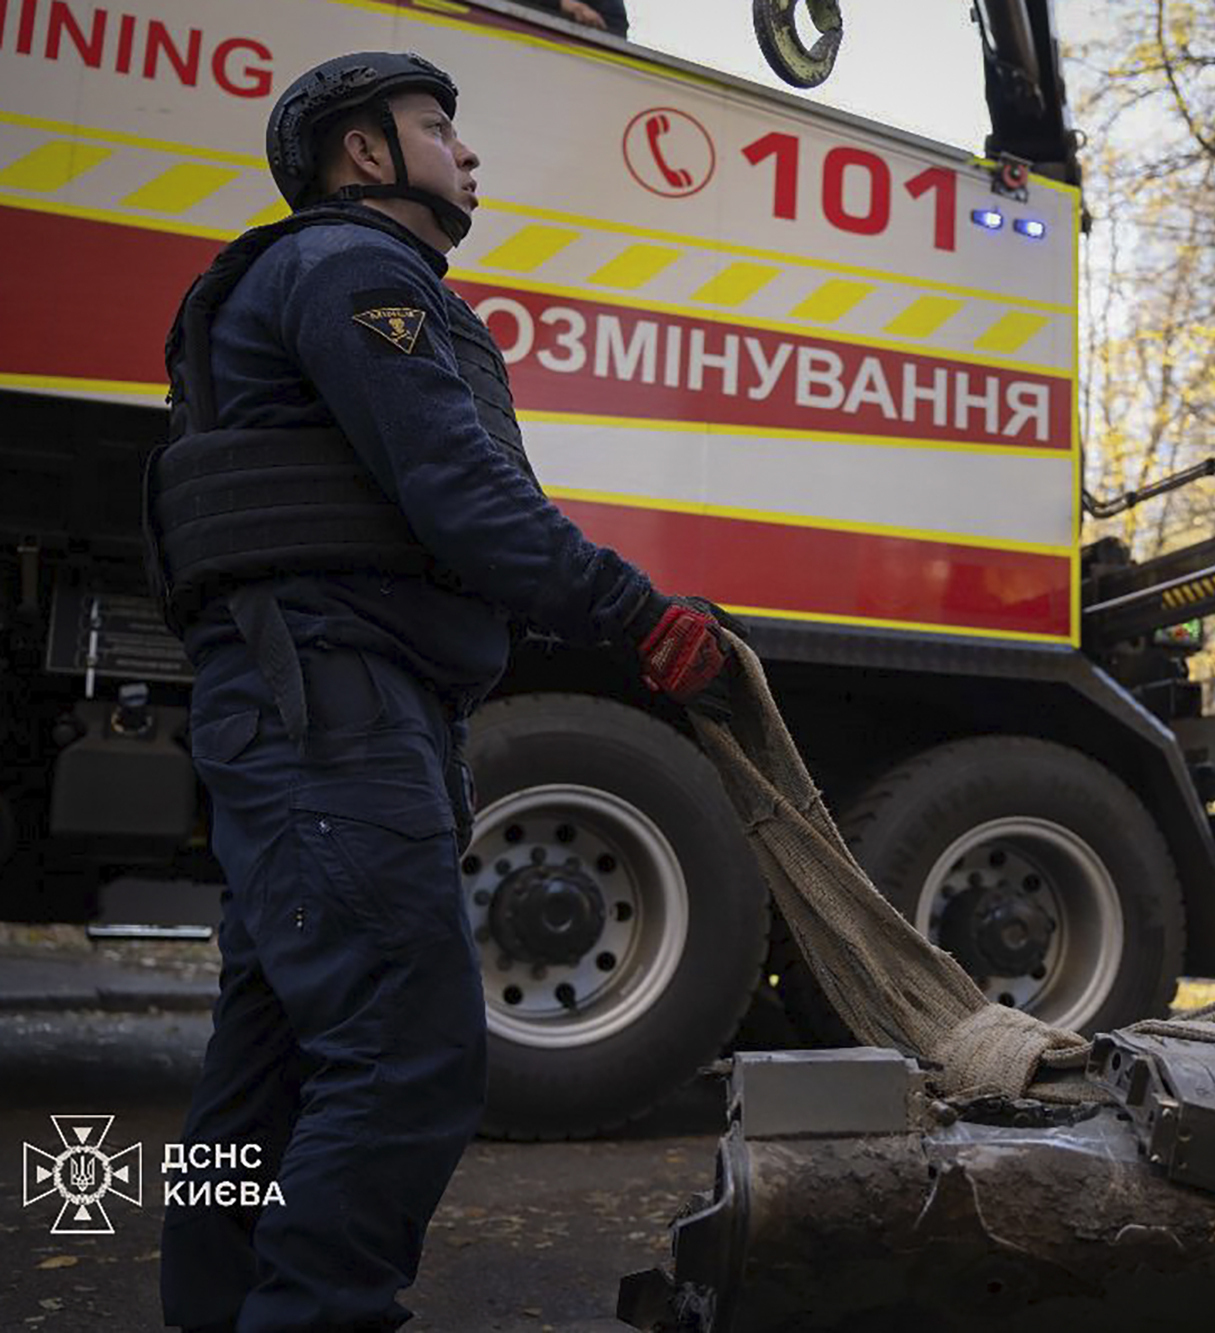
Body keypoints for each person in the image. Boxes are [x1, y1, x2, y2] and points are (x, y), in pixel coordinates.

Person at [149, 53, 736, 1331]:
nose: (466, 155)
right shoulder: (357, 272)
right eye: (436, 130)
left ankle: (214, 1310)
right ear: (363, 153)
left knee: (265, 1070)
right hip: (332, 716)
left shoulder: (315, 278)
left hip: (301, 704)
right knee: (406, 1054)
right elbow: (466, 497)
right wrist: (640, 616)